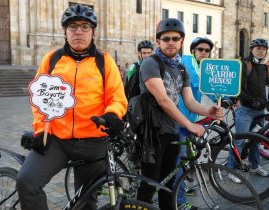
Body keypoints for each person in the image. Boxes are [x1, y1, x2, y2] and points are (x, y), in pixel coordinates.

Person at [15, 4, 127, 210]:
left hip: (93, 141)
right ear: (65, 31)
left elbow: (117, 97)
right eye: (72, 26)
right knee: (27, 181)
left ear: (93, 31)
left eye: (85, 27)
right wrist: (40, 130)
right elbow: (40, 99)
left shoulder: (104, 61)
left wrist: (113, 114)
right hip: (57, 140)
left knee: (86, 201)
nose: (78, 32)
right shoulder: (52, 59)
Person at [136, 18, 223, 210]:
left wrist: (209, 111)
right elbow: (163, 100)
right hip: (152, 133)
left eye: (175, 38)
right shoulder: (151, 63)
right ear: (158, 41)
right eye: (165, 38)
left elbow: (190, 101)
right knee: (149, 185)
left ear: (182, 41)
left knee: (168, 184)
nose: (171, 42)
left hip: (172, 130)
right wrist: (190, 125)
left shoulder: (181, 68)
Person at [175, 37, 215, 209]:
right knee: (178, 160)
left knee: (182, 159)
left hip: (188, 117)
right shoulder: (187, 62)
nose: (204, 53)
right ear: (193, 51)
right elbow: (203, 83)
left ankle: (181, 188)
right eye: (201, 49)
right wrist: (223, 93)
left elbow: (206, 86)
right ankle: (179, 201)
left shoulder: (200, 65)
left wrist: (224, 98)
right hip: (179, 118)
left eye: (207, 50)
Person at [227, 38, 269, 183]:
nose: (261, 50)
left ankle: (255, 166)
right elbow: (236, 87)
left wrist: (264, 102)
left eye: (264, 49)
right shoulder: (244, 65)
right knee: (239, 141)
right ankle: (231, 170)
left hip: (259, 111)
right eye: (258, 48)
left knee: (256, 141)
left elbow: (264, 86)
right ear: (251, 50)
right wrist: (251, 100)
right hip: (245, 110)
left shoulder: (264, 67)